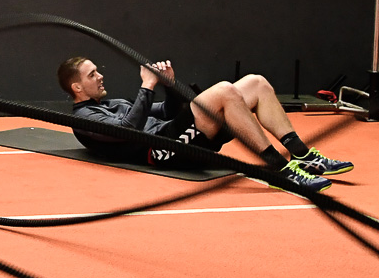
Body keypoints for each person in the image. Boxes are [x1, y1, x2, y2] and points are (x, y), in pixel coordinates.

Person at [56, 57, 353, 191]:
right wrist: (147, 85)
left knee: (256, 83)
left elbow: (167, 110)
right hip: (163, 151)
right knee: (224, 90)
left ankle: (302, 154)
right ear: (77, 88)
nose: (100, 76)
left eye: (97, 71)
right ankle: (284, 171)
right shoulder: (83, 120)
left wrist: (169, 85)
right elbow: (128, 132)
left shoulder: (113, 103)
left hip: (176, 134)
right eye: (92, 75)